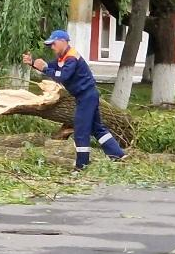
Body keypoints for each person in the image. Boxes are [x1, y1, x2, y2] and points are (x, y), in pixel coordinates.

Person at [22, 29, 125, 169]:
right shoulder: (64, 58)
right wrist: (33, 63)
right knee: (97, 128)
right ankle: (117, 155)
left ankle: (82, 165)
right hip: (88, 95)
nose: (52, 47)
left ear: (63, 42)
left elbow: (62, 76)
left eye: (54, 44)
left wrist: (45, 69)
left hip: (86, 96)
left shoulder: (71, 58)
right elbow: (53, 66)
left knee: (81, 130)